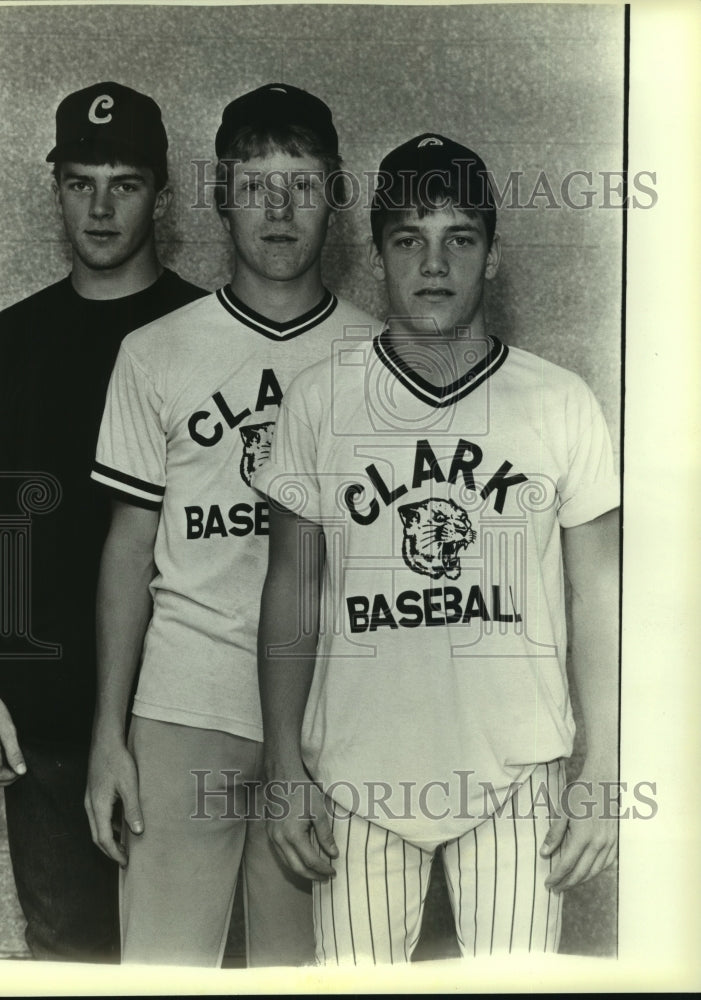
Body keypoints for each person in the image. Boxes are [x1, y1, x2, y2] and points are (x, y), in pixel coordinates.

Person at [255, 132, 621, 963]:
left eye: (459, 238)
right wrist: (284, 767)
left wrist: (600, 772)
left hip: (518, 767)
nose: (433, 263)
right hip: (357, 770)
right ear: (377, 256)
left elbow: (599, 600)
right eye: (407, 239)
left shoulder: (559, 401)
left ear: (491, 258)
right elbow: (289, 595)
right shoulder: (320, 400)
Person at [84, 82, 378, 967]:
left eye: (300, 183)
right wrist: (108, 735)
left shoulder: (380, 356)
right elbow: (129, 549)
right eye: (255, 185)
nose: (278, 210)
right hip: (186, 703)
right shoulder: (155, 351)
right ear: (219, 196)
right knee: (161, 971)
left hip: (334, 711)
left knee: (306, 973)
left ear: (335, 194)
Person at [0, 81, 206, 963]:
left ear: (161, 194)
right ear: (54, 186)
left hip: (181, 712)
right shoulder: (10, 340)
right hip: (47, 720)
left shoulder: (202, 330)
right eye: (80, 180)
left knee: (196, 964)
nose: (99, 205)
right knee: (68, 958)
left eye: (124, 182)